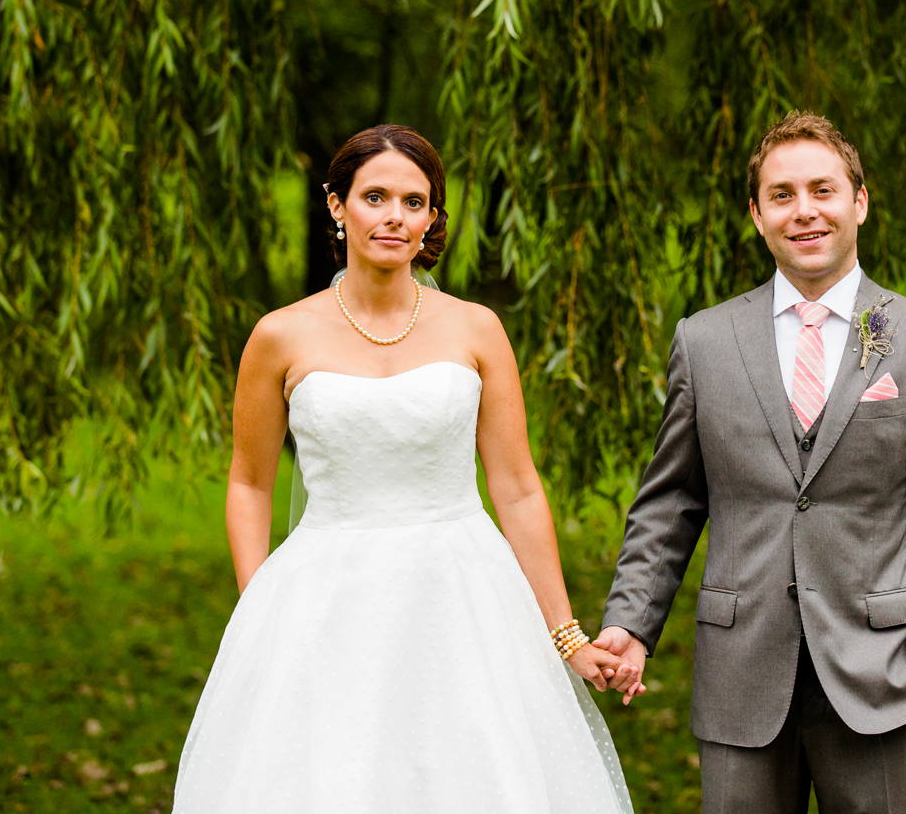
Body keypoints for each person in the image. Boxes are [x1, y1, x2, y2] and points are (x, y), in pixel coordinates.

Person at [173, 125, 635, 813]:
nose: (395, 217)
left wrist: (565, 632)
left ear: (431, 218)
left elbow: (515, 486)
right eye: (376, 197)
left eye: (415, 202)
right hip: (325, 594)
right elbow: (249, 482)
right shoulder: (280, 336)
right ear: (337, 206)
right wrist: (259, 613)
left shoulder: (476, 330)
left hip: (463, 594)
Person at [595, 111, 906, 814]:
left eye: (823, 190)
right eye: (782, 195)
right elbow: (671, 501)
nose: (804, 210)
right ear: (757, 214)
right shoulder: (704, 341)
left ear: (859, 202)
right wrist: (630, 621)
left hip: (886, 675)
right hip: (742, 674)